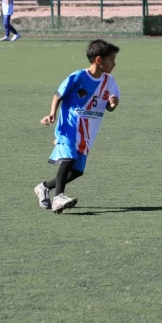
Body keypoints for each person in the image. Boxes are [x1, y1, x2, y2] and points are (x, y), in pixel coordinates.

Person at [36, 40, 121, 213]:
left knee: (77, 171)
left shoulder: (109, 81)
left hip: (89, 130)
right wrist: (52, 113)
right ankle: (59, 197)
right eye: (111, 59)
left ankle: (43, 187)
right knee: (68, 159)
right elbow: (58, 95)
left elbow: (109, 108)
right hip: (69, 125)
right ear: (99, 60)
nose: (114, 63)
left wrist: (114, 103)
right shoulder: (78, 77)